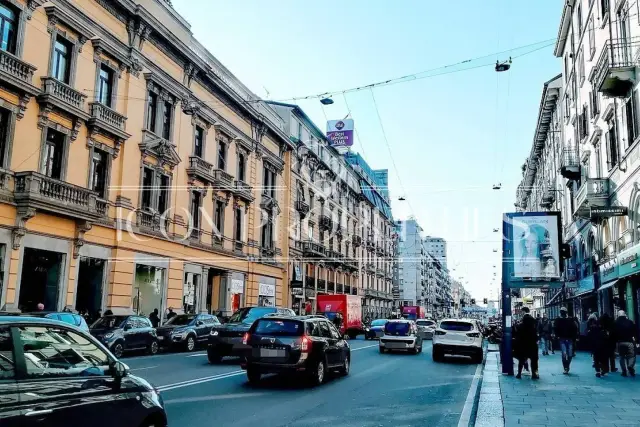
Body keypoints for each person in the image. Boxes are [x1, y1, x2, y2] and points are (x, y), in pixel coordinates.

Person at [514, 307, 539, 379]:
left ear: (523, 312)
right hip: (532, 343)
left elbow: (518, 332)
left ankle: (519, 373)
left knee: (521, 358)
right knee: (534, 359)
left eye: (521, 312)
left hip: (523, 343)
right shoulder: (534, 321)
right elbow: (536, 332)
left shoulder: (522, 322)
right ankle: (534, 373)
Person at [554, 306, 578, 374]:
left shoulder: (570, 319)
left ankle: (567, 366)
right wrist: (557, 336)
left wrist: (574, 336)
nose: (562, 313)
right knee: (564, 354)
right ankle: (566, 367)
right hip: (563, 338)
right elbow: (555, 328)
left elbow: (575, 328)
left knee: (569, 354)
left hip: (568, 339)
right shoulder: (559, 320)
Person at [614, 310, 637, 377]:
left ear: (618, 315)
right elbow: (635, 331)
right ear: (625, 315)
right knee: (631, 356)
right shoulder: (630, 322)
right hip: (629, 342)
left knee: (622, 357)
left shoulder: (615, 323)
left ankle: (624, 371)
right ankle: (630, 366)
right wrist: (637, 340)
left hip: (620, 342)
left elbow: (614, 334)